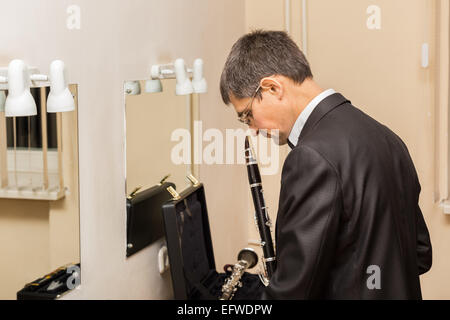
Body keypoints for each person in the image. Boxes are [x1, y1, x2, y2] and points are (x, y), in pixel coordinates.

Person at [220, 30, 432, 299]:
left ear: (273, 88)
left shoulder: (311, 157)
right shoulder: (387, 137)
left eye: (248, 115)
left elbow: (294, 292)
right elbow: (420, 254)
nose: (252, 129)